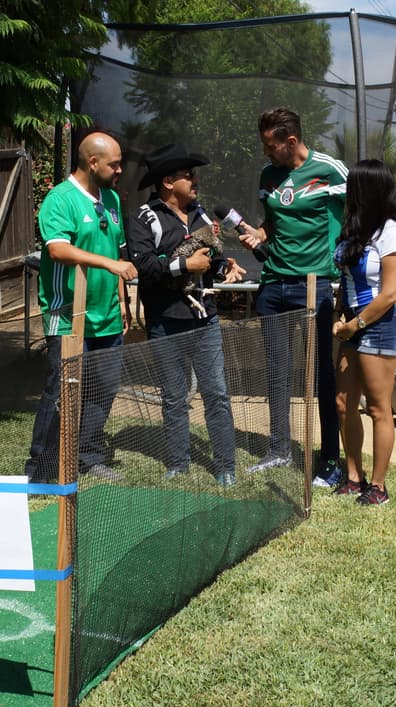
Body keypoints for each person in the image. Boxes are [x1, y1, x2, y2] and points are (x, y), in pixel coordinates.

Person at [126, 143, 246, 487]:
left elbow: (214, 257)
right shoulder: (143, 218)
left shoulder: (203, 215)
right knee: (174, 396)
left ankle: (225, 467)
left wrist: (226, 268)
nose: (195, 180)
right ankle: (178, 464)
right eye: (187, 175)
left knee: (217, 394)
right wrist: (183, 265)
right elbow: (143, 267)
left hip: (205, 319)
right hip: (165, 320)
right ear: (167, 182)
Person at [237, 106, 346, 486]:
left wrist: (342, 261)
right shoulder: (270, 174)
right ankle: (279, 449)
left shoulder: (330, 171)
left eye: (271, 146)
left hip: (311, 287)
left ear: (292, 141)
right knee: (277, 372)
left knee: (322, 376)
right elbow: (273, 222)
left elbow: (359, 215)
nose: (266, 153)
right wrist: (259, 235)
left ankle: (330, 460)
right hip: (272, 286)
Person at [25, 131, 137, 482]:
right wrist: (108, 265)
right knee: (61, 392)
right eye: (114, 164)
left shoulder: (113, 200)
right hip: (68, 318)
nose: (119, 170)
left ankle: (87, 455)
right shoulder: (60, 199)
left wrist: (123, 302)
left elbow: (117, 252)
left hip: (107, 317)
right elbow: (57, 249)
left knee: (103, 390)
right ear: (93, 162)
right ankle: (41, 470)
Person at [330, 160, 396, 506]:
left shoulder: (392, 231)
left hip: (378, 328)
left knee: (378, 409)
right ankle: (353, 476)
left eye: (354, 187)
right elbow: (345, 281)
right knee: (344, 405)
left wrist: (354, 325)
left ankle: (378, 487)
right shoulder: (355, 230)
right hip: (351, 326)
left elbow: (389, 294)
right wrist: (339, 315)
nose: (350, 194)